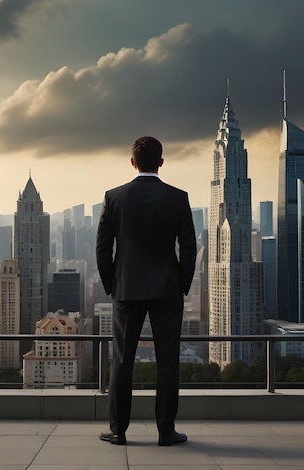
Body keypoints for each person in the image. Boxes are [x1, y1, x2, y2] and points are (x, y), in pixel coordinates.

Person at [96, 136, 197, 446]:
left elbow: (102, 247)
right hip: (167, 289)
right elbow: (189, 247)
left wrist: (112, 284)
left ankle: (118, 430)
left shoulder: (114, 197)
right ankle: (166, 430)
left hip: (126, 289)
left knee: (122, 361)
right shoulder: (177, 198)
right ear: (161, 162)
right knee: (168, 361)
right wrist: (181, 284)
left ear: (132, 161)